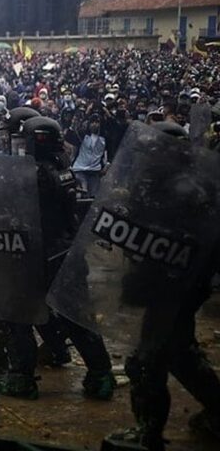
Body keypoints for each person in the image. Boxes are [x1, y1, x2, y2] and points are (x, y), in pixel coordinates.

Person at [108, 121, 220, 450]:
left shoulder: (186, 191)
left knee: (146, 361)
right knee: (180, 355)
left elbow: (186, 247)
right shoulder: (168, 183)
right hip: (172, 291)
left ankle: (148, 431)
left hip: (172, 291)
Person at [0, 117, 114, 400]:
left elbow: (12, 212)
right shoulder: (62, 170)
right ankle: (101, 375)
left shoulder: (33, 173)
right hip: (65, 252)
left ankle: (20, 378)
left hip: (37, 254)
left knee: (18, 315)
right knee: (76, 318)